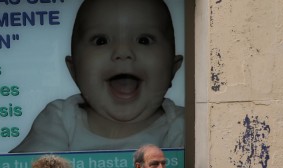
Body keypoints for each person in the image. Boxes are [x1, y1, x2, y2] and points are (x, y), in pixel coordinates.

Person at [11, 0, 184, 153]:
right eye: (101, 41)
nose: (123, 52)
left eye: (144, 40)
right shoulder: (60, 120)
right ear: (74, 70)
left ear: (173, 68)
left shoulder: (183, 126)